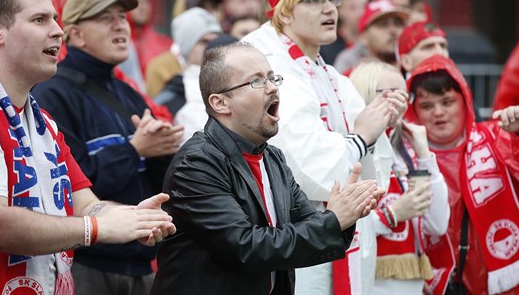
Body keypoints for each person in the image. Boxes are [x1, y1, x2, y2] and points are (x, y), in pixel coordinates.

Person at [0, 0, 176, 295]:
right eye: (39, 20)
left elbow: (86, 204)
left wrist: (135, 217)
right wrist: (97, 228)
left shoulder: (43, 120)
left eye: (56, 20)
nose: (57, 31)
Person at [151, 43, 385, 295]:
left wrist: (345, 214)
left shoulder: (272, 158)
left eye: (272, 78)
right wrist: (334, 219)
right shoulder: (197, 163)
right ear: (220, 103)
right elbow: (247, 247)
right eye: (256, 81)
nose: (273, 87)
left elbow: (308, 225)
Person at [241, 0, 407, 295]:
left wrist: (382, 119)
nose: (329, 9)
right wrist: (362, 136)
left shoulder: (322, 68)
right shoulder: (268, 65)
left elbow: (373, 172)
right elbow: (307, 166)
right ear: (284, 11)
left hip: (326, 229)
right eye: (313, 0)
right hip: (294, 234)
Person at [31, 0, 183, 295]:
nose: (120, 25)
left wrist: (163, 151)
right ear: (75, 34)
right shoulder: (52, 92)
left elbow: (157, 183)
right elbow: (68, 185)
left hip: (141, 264)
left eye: (122, 17)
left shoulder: (127, 92)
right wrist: (134, 149)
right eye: (104, 18)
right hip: (88, 265)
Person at [406, 54, 519, 294]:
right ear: (414, 111)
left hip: (508, 286)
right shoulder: (404, 160)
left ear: (465, 101)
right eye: (427, 106)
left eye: (447, 102)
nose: (438, 112)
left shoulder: (497, 138)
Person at [349, 61, 449, 294]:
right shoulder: (351, 147)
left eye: (405, 95)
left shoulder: (407, 150)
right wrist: (391, 216)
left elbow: (438, 223)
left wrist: (425, 155)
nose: (400, 103)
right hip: (369, 281)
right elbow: (341, 224)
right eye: (389, 94)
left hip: (410, 283)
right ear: (363, 92)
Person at [150, 7, 221, 115]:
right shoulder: (169, 100)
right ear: (187, 46)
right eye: (204, 42)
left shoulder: (231, 87)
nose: (212, 47)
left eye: (216, 40)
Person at [334, 0, 408, 74]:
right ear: (364, 37)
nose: (393, 30)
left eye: (397, 23)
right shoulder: (350, 61)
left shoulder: (415, 57)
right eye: (383, 24)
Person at [117, 0, 173, 75]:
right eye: (136, 2)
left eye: (147, 1)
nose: (143, 7)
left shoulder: (166, 45)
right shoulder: (116, 42)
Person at [320, 0, 370, 65]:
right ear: (339, 11)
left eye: (365, 6)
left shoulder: (379, 45)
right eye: (352, 7)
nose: (360, 13)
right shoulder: (325, 48)